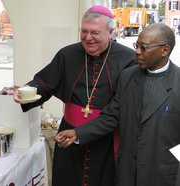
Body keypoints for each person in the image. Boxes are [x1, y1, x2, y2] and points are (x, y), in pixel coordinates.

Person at [13, 5, 136, 186]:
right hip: (67, 134)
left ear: (110, 32)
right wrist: (25, 92)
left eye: (95, 32)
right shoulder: (68, 54)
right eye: (84, 31)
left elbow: (121, 106)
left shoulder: (128, 59)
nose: (88, 38)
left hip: (106, 140)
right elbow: (45, 83)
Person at [55, 23, 180, 186]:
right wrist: (78, 133)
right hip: (127, 175)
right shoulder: (128, 77)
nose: (137, 52)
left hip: (163, 176)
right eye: (137, 45)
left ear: (165, 50)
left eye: (144, 48)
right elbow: (112, 115)